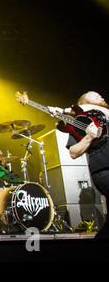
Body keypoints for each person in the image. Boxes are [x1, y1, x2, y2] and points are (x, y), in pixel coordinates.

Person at [48, 91, 109, 239]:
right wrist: (89, 137)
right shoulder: (80, 123)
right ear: (83, 104)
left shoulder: (105, 115)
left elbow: (103, 110)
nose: (101, 97)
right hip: (104, 169)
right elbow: (74, 152)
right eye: (95, 96)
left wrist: (63, 110)